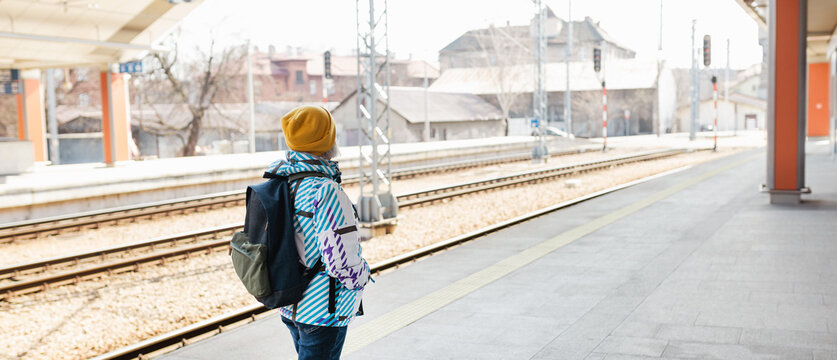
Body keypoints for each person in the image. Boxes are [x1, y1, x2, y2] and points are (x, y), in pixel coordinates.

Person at [267, 105, 370, 360]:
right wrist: (364, 276)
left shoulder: (281, 181)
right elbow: (341, 263)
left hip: (291, 303)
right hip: (323, 309)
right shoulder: (324, 190)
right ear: (329, 140)